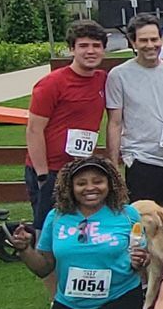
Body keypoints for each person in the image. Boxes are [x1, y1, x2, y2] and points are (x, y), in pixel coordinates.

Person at [9, 156, 147, 309]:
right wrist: (25, 249)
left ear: (110, 183)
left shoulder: (127, 214)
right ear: (69, 187)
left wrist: (140, 260)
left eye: (98, 181)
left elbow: (140, 256)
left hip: (118, 296)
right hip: (71, 300)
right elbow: (44, 266)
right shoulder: (56, 217)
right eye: (81, 183)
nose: (90, 188)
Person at [28, 20, 112, 231]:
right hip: (52, 170)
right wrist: (42, 175)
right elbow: (34, 130)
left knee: (81, 228)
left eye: (96, 45)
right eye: (83, 46)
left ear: (103, 49)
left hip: (82, 170)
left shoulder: (104, 79)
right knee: (48, 230)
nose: (90, 51)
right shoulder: (52, 83)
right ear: (71, 49)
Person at [105, 14, 163, 205]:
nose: (150, 45)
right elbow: (115, 122)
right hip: (140, 160)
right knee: (145, 224)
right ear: (133, 42)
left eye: (154, 39)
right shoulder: (118, 76)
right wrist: (113, 165)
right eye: (143, 40)